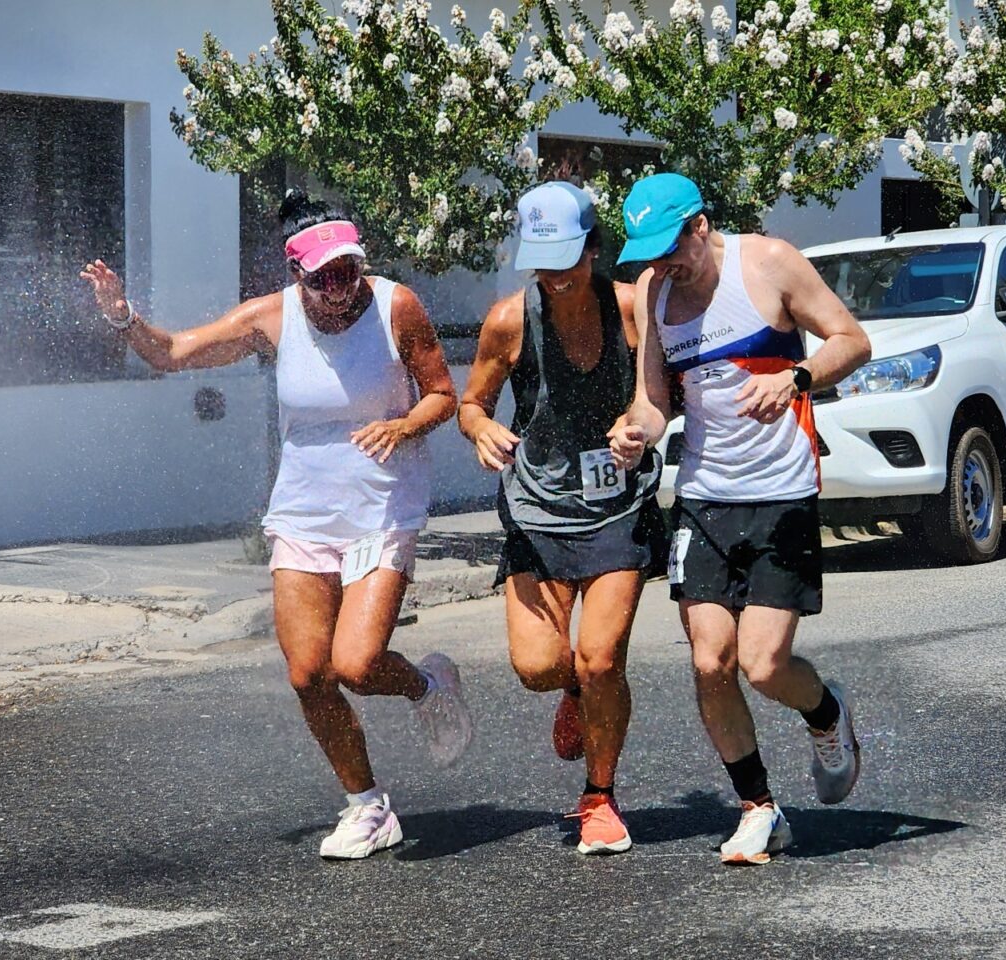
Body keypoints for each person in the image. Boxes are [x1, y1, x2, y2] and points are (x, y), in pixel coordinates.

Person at [80, 190, 473, 861]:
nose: (340, 289)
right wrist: (123, 316)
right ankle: (367, 807)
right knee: (309, 673)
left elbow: (441, 393)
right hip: (303, 513)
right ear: (297, 274)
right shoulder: (271, 318)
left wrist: (405, 425)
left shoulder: (395, 306)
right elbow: (173, 353)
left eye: (348, 271)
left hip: (383, 506)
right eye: (324, 279)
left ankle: (428, 686)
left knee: (357, 664)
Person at [608, 172, 872, 865]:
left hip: (782, 492)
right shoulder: (653, 292)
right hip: (704, 495)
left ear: (700, 226)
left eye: (672, 248)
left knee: (762, 664)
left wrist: (797, 377)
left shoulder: (769, 262)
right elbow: (653, 400)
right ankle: (758, 807)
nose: (663, 264)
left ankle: (826, 712)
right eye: (650, 254)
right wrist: (635, 433)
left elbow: (852, 340)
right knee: (710, 660)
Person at [459, 180, 667, 855]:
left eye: (567, 260)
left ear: (593, 248)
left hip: (617, 507)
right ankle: (575, 691)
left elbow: (661, 395)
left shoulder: (631, 309)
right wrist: (481, 429)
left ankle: (599, 797)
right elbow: (471, 403)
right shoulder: (508, 321)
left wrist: (638, 425)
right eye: (542, 263)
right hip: (538, 509)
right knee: (538, 665)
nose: (554, 276)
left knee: (602, 659)